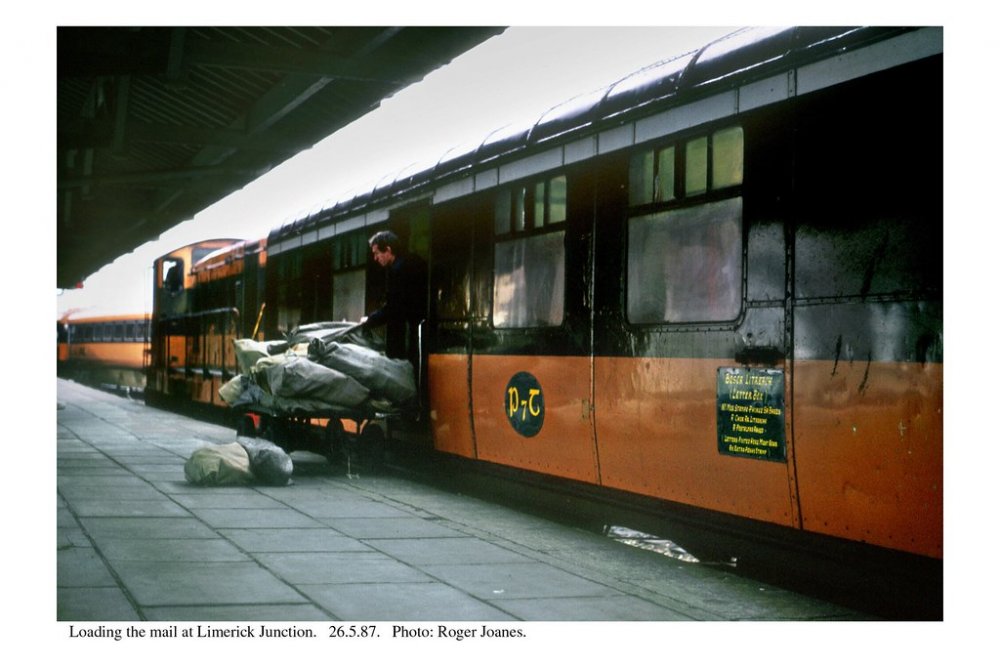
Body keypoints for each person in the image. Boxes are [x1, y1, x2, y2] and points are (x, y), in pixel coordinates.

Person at [362, 230, 427, 364]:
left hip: (411, 332)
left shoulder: (399, 269)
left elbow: (394, 307)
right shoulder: (410, 261)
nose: (375, 258)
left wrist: (370, 320)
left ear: (388, 250)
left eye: (376, 253)